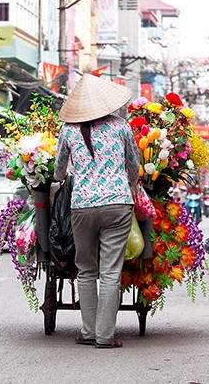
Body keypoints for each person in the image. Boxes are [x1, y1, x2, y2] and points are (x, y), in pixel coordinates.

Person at [54, 74, 138, 349]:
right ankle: (105, 336)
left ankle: (89, 332)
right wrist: (132, 185)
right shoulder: (120, 126)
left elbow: (58, 170)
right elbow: (132, 165)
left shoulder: (68, 130)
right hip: (117, 204)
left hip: (81, 206)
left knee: (86, 270)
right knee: (110, 272)